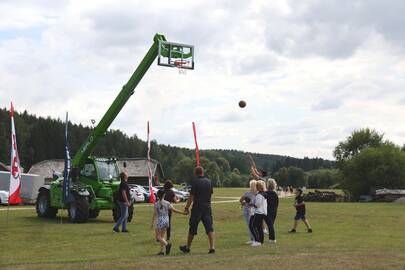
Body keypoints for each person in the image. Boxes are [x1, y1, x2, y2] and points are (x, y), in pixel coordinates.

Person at [180, 166, 215, 254]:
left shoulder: (195, 182)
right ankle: (212, 247)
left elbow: (191, 197)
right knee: (209, 227)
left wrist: (186, 208)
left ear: (195, 173)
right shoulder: (209, 182)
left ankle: (187, 247)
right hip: (207, 207)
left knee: (192, 227)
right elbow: (210, 194)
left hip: (197, 208)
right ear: (203, 172)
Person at [151, 189, 186, 255]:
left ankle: (167, 245)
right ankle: (162, 251)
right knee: (162, 236)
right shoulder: (167, 203)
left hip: (160, 220)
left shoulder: (156, 204)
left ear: (157, 196)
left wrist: (152, 223)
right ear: (164, 195)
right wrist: (183, 213)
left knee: (158, 237)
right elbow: (174, 210)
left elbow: (155, 214)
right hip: (166, 219)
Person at [249, 180, 267, 247]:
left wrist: (251, 204)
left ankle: (257, 241)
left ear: (258, 187)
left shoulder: (259, 195)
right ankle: (261, 241)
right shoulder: (264, 193)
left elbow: (257, 205)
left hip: (258, 212)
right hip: (262, 212)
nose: (255, 187)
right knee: (259, 227)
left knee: (253, 226)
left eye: (256, 186)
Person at [239, 180, 257, 244]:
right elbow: (241, 200)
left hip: (249, 211)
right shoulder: (256, 194)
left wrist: (244, 203)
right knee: (251, 226)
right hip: (251, 211)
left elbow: (241, 200)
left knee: (250, 226)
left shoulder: (247, 193)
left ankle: (253, 239)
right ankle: (253, 239)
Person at [265, 178, 279, 243]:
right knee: (271, 224)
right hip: (274, 211)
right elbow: (277, 203)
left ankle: (272, 239)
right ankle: (271, 238)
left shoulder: (266, 193)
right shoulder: (275, 193)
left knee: (270, 225)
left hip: (267, 211)